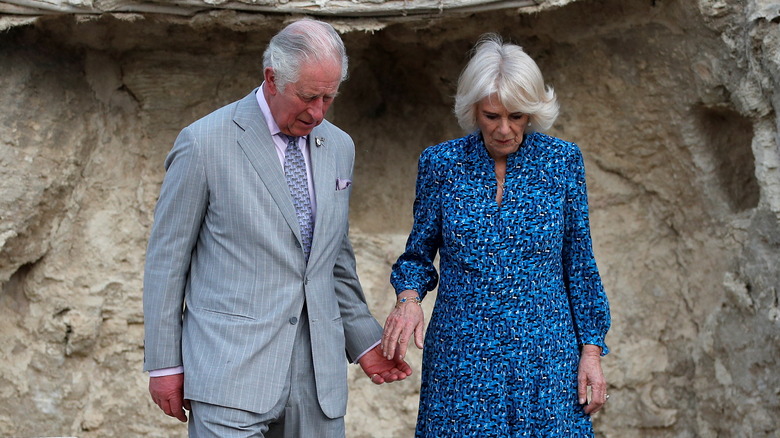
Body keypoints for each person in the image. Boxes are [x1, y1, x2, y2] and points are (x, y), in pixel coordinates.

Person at [143, 18, 411, 437]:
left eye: (329, 97)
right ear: (271, 79)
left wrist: (365, 344)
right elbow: (166, 262)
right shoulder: (203, 142)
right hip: (228, 373)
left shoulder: (340, 146)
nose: (318, 112)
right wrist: (164, 364)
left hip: (318, 382)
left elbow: (334, 259)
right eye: (307, 97)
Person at [381, 34, 611, 437]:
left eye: (517, 116)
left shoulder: (562, 163)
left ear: (534, 112)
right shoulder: (442, 164)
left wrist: (591, 351)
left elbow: (579, 263)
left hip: (546, 357)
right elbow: (417, 257)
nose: (505, 129)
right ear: (473, 110)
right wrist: (408, 299)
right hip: (462, 359)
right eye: (491, 116)